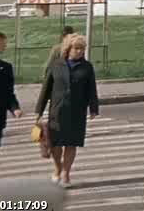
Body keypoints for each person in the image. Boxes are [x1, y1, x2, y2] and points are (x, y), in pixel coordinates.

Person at [35, 34, 99, 188]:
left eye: (82, 49)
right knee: (56, 145)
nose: (80, 52)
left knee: (71, 144)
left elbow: (91, 89)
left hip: (77, 112)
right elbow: (46, 89)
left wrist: (93, 108)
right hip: (57, 112)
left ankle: (66, 173)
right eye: (77, 48)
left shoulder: (87, 67)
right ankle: (58, 168)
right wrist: (39, 111)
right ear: (68, 49)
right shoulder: (56, 65)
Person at [0, 32, 22, 147]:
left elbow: (8, 93)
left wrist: (15, 108)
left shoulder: (6, 68)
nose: (5, 46)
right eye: (2, 43)